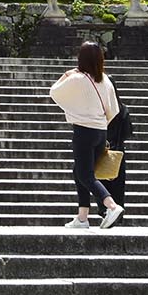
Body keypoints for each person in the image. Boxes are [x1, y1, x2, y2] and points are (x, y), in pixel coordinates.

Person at [49, 40, 124, 229]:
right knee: (79, 172)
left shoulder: (77, 78)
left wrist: (66, 74)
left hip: (84, 130)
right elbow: (114, 109)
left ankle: (111, 206)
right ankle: (82, 217)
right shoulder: (105, 80)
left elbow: (54, 92)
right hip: (100, 130)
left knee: (85, 174)